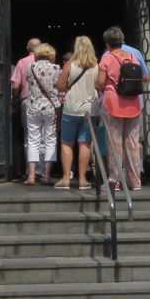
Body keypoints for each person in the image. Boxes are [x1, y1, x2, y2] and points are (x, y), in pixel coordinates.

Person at [95, 25, 143, 192]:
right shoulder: (132, 57)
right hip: (133, 103)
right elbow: (142, 76)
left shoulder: (107, 58)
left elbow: (100, 83)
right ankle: (135, 181)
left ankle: (114, 180)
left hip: (113, 102)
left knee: (114, 142)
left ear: (107, 43)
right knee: (132, 142)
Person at [55, 35, 99, 189]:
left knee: (67, 143)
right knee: (85, 143)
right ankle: (82, 179)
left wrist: (68, 87)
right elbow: (100, 85)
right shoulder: (96, 66)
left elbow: (60, 86)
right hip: (89, 109)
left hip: (71, 108)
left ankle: (66, 178)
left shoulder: (70, 64)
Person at [24, 42, 61, 185]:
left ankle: (32, 175)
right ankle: (46, 175)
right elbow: (58, 85)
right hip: (50, 108)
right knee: (50, 140)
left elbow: (29, 81)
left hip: (33, 106)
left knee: (33, 140)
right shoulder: (56, 68)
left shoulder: (30, 67)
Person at [10, 37, 41, 178]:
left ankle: (31, 171)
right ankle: (42, 171)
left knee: (30, 136)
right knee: (45, 136)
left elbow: (15, 86)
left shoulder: (22, 62)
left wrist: (15, 99)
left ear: (28, 49)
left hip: (27, 100)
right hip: (45, 102)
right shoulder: (48, 63)